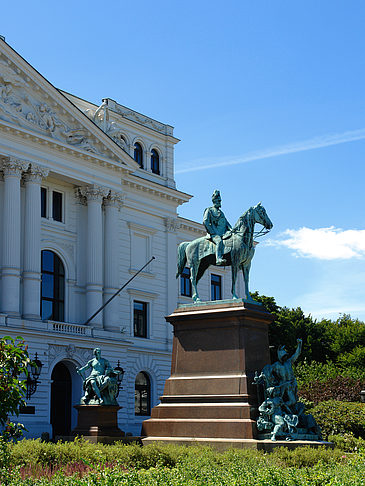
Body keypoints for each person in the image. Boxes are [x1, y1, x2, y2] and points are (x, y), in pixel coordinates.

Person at [203, 190, 232, 265]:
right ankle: (218, 259)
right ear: (214, 201)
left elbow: (226, 223)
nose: (219, 202)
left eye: (220, 200)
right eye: (218, 200)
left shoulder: (221, 212)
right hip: (214, 233)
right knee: (219, 242)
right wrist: (212, 231)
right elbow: (205, 221)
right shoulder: (209, 210)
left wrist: (232, 230)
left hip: (223, 233)